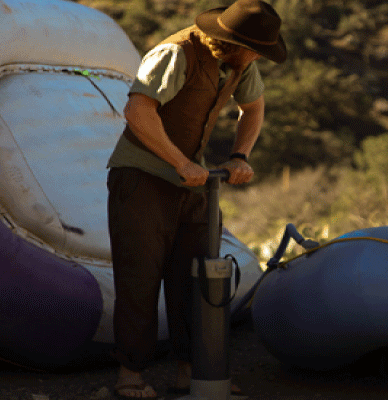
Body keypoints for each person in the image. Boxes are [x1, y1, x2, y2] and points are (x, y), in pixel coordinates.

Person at [106, 0, 286, 398]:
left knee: (196, 275)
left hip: (193, 183)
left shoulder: (240, 64)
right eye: (255, 50)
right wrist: (179, 162)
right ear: (234, 43)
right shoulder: (175, 54)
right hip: (141, 177)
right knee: (139, 276)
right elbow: (138, 110)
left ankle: (191, 372)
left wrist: (240, 156)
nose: (258, 58)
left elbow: (253, 108)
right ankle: (130, 374)